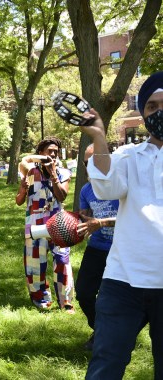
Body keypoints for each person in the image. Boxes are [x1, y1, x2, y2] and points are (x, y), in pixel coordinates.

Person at [80, 71, 163, 379]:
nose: (159, 112)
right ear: (143, 114)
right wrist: (99, 137)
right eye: (152, 107)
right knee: (106, 364)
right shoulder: (129, 155)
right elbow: (105, 188)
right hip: (123, 281)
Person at [15, 137, 75, 312]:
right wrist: (24, 188)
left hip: (58, 224)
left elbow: (62, 196)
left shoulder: (63, 173)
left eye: (55, 151)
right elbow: (19, 201)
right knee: (34, 264)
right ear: (40, 154)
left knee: (62, 261)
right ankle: (41, 299)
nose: (53, 154)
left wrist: (54, 174)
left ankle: (66, 302)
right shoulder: (30, 172)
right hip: (35, 225)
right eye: (49, 151)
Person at [75, 144, 118, 351]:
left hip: (121, 249)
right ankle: (100, 329)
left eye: (93, 162)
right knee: (83, 293)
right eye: (85, 163)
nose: (88, 167)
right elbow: (83, 214)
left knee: (114, 298)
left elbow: (132, 218)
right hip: (97, 247)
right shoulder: (86, 189)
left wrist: (101, 222)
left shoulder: (120, 185)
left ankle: (112, 335)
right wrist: (76, 221)